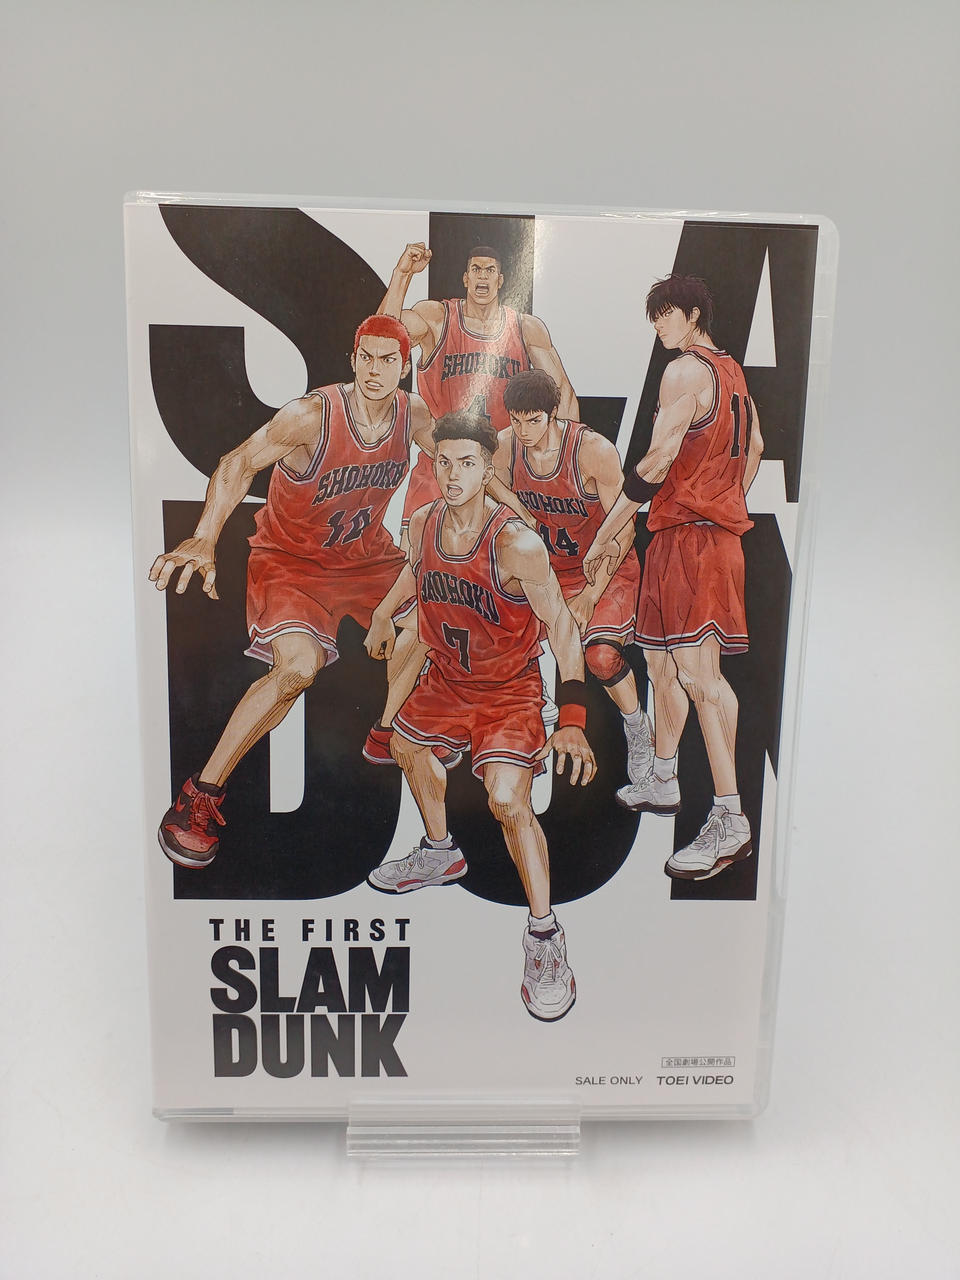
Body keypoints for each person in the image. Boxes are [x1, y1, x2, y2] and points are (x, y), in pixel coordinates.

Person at [150, 315, 442, 868]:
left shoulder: (415, 414)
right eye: (366, 357)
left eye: (388, 360)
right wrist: (204, 536)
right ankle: (199, 795)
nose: (375, 369)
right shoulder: (311, 416)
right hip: (292, 562)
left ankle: (387, 731)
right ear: (352, 360)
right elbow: (238, 462)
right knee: (297, 670)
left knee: (442, 613)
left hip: (365, 558)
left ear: (404, 367)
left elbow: (466, 457)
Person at [363, 411, 596, 1021]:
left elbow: (562, 627)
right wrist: (386, 612)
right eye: (444, 462)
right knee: (405, 746)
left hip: (508, 691)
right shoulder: (423, 522)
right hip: (448, 681)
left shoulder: (517, 544)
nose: (453, 475)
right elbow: (415, 572)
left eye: (466, 464)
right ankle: (441, 850)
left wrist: (573, 717)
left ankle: (545, 936)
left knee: (507, 801)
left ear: (487, 469)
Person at [363, 241, 574, 765]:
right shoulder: (438, 317)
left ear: (503, 279)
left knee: (512, 594)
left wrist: (555, 463)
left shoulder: (526, 328)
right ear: (464, 276)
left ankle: (519, 694)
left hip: (499, 474)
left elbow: (564, 398)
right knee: (420, 613)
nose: (482, 277)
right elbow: (383, 339)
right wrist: (401, 274)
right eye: (475, 268)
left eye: (491, 270)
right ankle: (396, 724)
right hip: (440, 474)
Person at [584, 275, 764, 881]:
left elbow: (658, 460)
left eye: (665, 315)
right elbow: (756, 447)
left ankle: (730, 818)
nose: (659, 327)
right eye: (654, 317)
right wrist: (725, 496)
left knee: (700, 678)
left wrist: (609, 529)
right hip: (681, 535)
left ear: (691, 315)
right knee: (661, 665)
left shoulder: (686, 370)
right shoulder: (733, 374)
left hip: (694, 539)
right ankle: (664, 776)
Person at [493, 368, 654, 785]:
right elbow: (489, 482)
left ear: (554, 414)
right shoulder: (506, 446)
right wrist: (518, 507)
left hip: (603, 567)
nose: (524, 431)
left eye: (534, 420)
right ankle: (536, 710)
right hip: (550, 572)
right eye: (517, 420)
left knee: (599, 656)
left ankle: (637, 725)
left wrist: (590, 595)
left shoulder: (592, 451)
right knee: (498, 632)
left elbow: (624, 530)